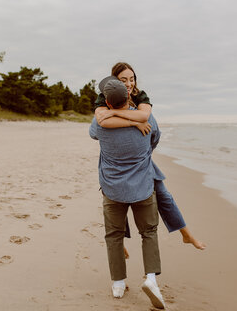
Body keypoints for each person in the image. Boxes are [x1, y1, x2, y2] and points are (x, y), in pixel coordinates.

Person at [94, 63, 206, 252]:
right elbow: (101, 120)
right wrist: (133, 122)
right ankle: (119, 241)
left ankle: (186, 234)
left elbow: (145, 116)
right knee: (117, 197)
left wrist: (115, 113)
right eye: (123, 80)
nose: (129, 84)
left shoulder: (140, 95)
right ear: (115, 82)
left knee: (164, 195)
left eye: (132, 79)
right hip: (117, 158)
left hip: (141, 159)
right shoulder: (104, 97)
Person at [89, 78, 166, 309]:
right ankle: (151, 278)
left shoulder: (101, 122)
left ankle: (118, 283)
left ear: (108, 104)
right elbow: (155, 138)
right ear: (128, 96)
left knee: (113, 235)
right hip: (142, 185)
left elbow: (94, 133)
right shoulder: (146, 117)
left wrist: (115, 118)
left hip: (113, 187)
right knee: (149, 231)